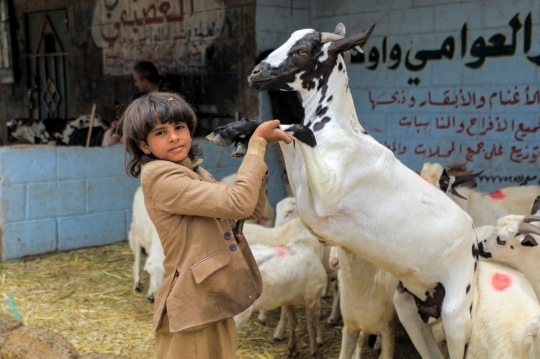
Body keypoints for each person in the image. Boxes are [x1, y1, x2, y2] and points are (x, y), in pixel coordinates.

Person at [120, 91, 291, 358]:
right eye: (160, 133)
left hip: (214, 298)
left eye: (179, 127)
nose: (174, 136)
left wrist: (255, 157)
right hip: (193, 307)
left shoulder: (193, 170)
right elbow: (239, 203)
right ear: (144, 146)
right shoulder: (160, 176)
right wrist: (256, 149)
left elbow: (251, 210)